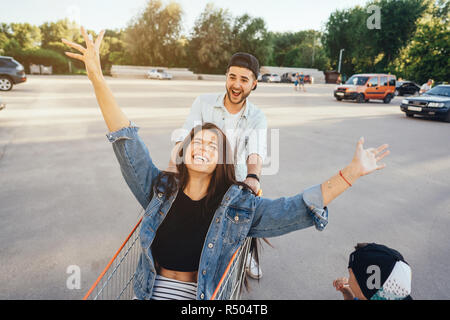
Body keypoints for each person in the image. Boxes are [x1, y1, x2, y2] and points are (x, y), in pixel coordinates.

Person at [62, 27, 391, 300]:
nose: (203, 146)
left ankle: (244, 254)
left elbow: (290, 203)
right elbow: (127, 140)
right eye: (198, 142)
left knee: (240, 227)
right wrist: (97, 79)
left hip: (213, 252)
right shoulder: (159, 189)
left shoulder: (237, 204)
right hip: (148, 291)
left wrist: (348, 174)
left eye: (213, 145)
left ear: (253, 84)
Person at [168, 52, 267, 280]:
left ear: (254, 84)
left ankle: (247, 253)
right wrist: (174, 165)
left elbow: (256, 151)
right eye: (232, 77)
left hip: (234, 179)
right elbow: (184, 137)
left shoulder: (257, 117)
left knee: (245, 212)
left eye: (244, 79)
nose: (236, 84)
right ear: (226, 76)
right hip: (200, 172)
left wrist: (253, 176)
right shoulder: (203, 102)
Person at [333, 243, 413, 300]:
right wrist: (347, 292)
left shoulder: (366, 295)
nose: (348, 280)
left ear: (362, 289)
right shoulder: (380, 296)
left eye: (350, 273)